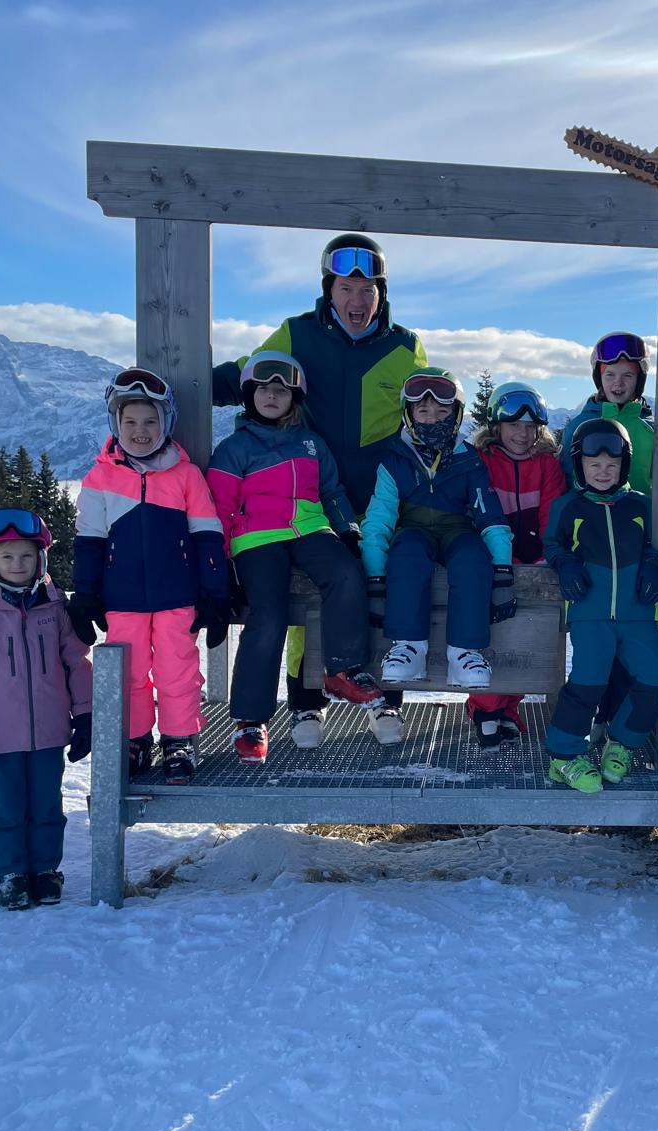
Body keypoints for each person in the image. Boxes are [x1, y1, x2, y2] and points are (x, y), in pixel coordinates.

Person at [212, 233, 427, 746]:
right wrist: (186, 381)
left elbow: (425, 409)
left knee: (376, 590)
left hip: (377, 496)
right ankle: (306, 703)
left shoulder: (405, 347)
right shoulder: (296, 335)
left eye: (368, 289)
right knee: (300, 602)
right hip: (308, 492)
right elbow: (248, 376)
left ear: (381, 293)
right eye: (346, 288)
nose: (357, 300)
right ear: (328, 289)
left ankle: (382, 700)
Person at [207, 350, 385, 765]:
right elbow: (219, 507)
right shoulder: (234, 448)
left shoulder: (311, 444)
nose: (272, 397)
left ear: (295, 399)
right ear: (249, 396)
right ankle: (250, 719)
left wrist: (348, 531)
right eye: (264, 390)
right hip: (256, 536)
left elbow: (332, 492)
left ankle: (341, 669)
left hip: (309, 528)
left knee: (346, 574)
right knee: (268, 615)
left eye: (282, 391)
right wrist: (220, 565)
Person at [69, 368, 231, 785]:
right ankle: (136, 739)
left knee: (178, 671)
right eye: (130, 422)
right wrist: (84, 594)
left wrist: (216, 593)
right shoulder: (100, 478)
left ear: (166, 423)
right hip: (121, 599)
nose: (140, 431)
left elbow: (208, 538)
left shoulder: (186, 476)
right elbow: (88, 543)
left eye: (149, 421)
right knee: (131, 673)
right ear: (116, 423)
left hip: (177, 595)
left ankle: (179, 739)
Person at [0, 510, 94, 909]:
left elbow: (76, 665)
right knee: (6, 807)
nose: (17, 565)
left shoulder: (55, 609)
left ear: (40, 559)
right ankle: (8, 873)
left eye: (26, 556)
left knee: (47, 804)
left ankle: (44, 870)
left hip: (49, 731)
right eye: (6, 557)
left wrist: (86, 715)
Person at [359, 369, 515, 689]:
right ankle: (408, 646)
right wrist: (375, 579)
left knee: (472, 558)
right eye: (423, 411)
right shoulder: (395, 461)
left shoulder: (468, 460)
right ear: (409, 414)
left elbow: (489, 514)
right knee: (407, 553)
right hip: (413, 529)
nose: (432, 419)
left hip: (457, 529)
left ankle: (465, 652)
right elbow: (378, 519)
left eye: (443, 412)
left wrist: (502, 569)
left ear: (456, 416)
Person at [542, 419, 658, 792]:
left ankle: (622, 743)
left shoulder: (641, 506)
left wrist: (652, 564)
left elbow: (653, 545)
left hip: (637, 614)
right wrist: (565, 564)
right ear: (579, 465)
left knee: (655, 682)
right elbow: (552, 544)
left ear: (624, 466)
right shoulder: (568, 506)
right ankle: (563, 757)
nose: (602, 471)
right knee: (588, 683)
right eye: (593, 464)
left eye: (611, 465)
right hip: (590, 613)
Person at [465, 381, 567, 746]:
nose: (522, 434)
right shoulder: (483, 461)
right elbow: (478, 510)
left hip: (535, 558)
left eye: (529, 426)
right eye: (513, 425)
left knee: (527, 634)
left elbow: (552, 512)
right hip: (495, 557)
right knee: (495, 631)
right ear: (496, 427)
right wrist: (502, 561)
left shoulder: (546, 465)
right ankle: (485, 708)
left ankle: (509, 706)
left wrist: (544, 557)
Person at [560, 331, 655, 494]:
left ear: (639, 380)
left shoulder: (650, 428)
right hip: (589, 508)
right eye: (610, 375)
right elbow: (565, 476)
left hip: (642, 508)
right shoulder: (580, 426)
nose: (618, 382)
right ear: (599, 378)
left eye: (628, 375)